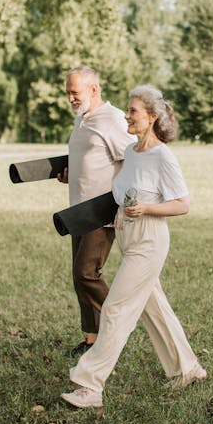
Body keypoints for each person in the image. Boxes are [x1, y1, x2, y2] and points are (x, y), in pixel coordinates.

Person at [61, 85, 206, 409]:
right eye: (127, 110)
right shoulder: (132, 152)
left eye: (133, 111)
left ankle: (89, 387)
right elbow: (119, 191)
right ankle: (188, 368)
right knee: (155, 309)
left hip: (149, 241)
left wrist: (148, 209)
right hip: (129, 238)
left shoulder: (161, 156)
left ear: (152, 117)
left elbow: (183, 204)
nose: (126, 116)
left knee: (115, 309)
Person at [58, 66, 135, 357]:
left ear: (93, 89)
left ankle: (119, 326)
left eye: (74, 92)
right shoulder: (83, 119)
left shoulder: (112, 119)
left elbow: (133, 159)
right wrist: (70, 172)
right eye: (67, 93)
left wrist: (125, 201)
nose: (70, 99)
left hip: (100, 211)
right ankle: (92, 340)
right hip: (77, 210)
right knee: (79, 276)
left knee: (86, 272)